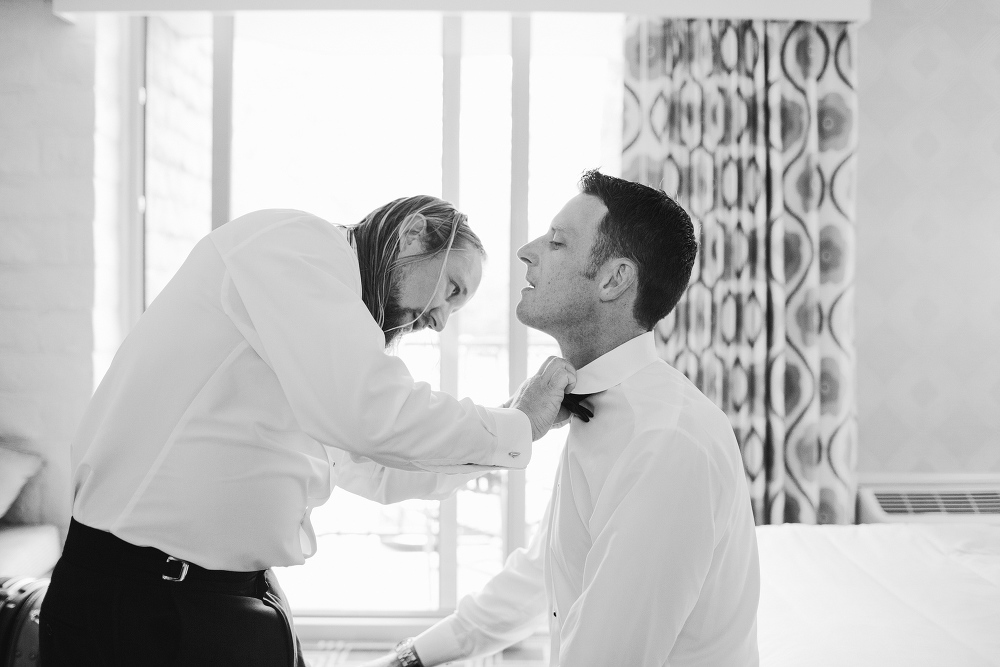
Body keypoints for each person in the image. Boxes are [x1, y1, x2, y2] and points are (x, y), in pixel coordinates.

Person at [39, 197, 577, 667]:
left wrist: (515, 427)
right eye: (450, 289)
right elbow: (369, 414)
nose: (438, 320)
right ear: (414, 232)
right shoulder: (294, 247)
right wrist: (515, 425)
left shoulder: (320, 331)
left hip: (223, 597)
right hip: (145, 603)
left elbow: (377, 469)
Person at [364, 171, 760, 667]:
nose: (526, 252)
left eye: (556, 242)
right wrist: (410, 659)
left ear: (614, 279)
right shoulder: (601, 400)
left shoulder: (666, 443)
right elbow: (541, 576)